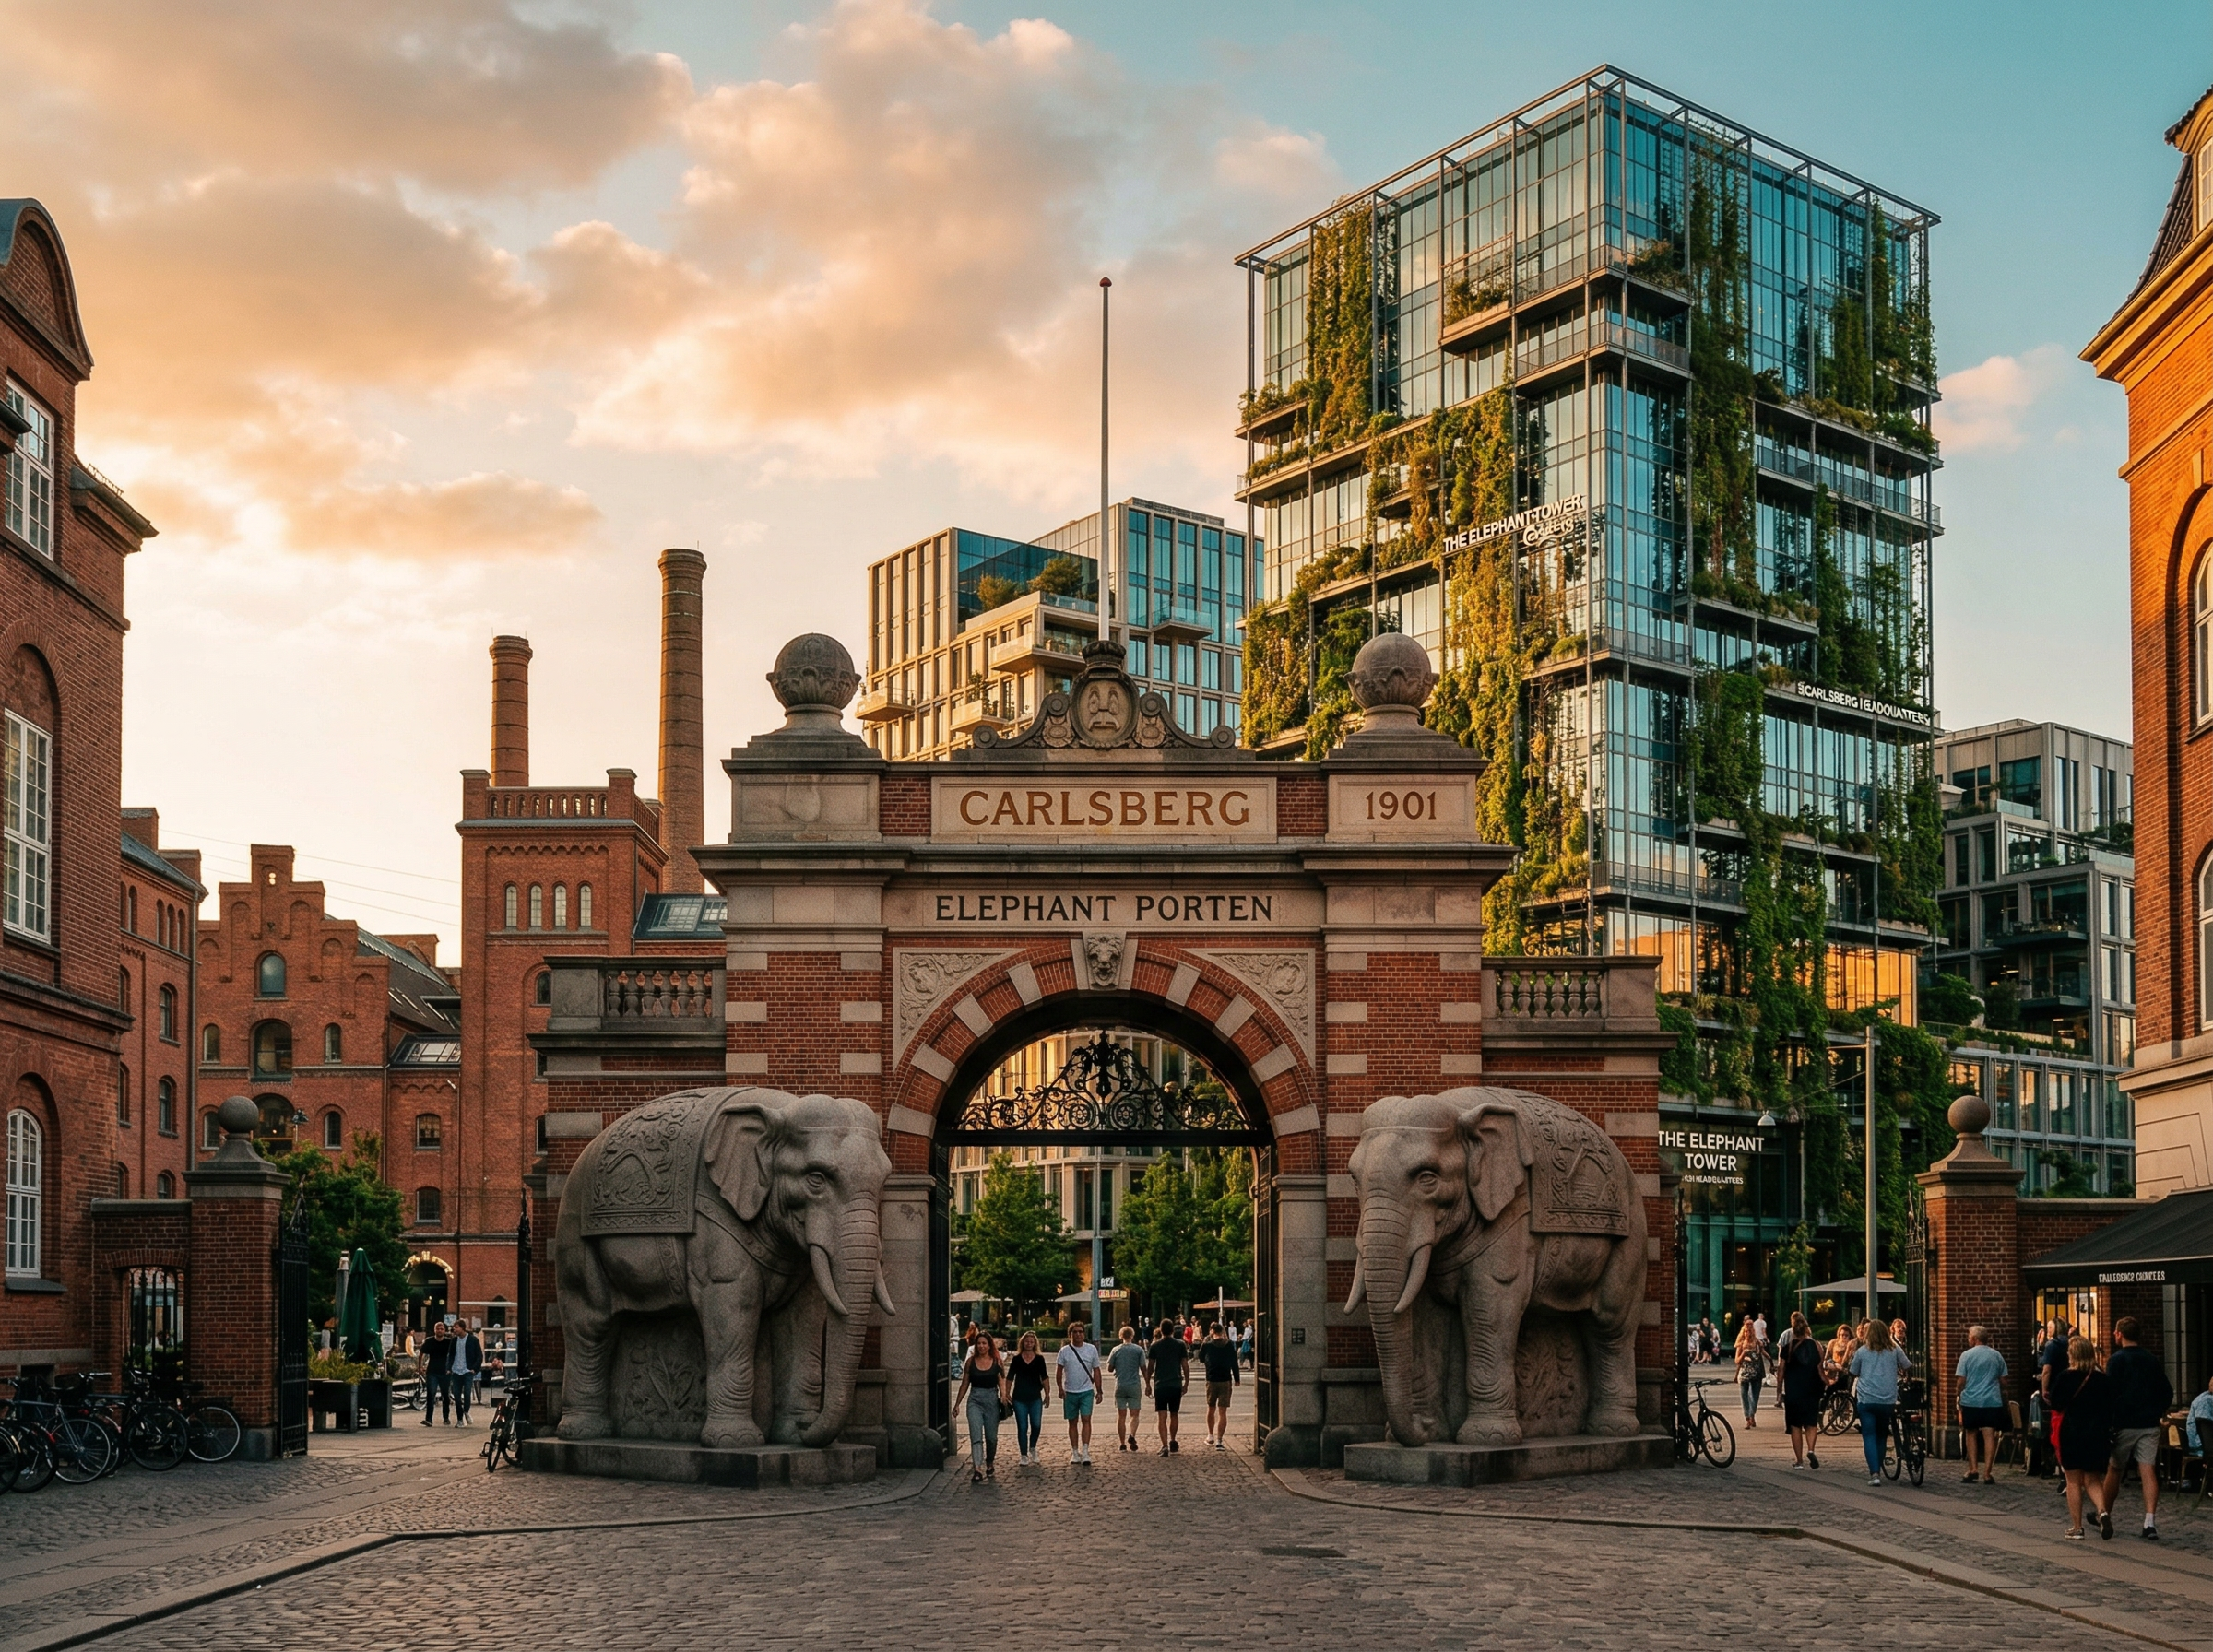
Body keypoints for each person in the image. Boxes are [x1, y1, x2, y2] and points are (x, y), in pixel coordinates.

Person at [2101, 1316, 2173, 1540]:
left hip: (2125, 1423)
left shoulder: (2116, 1360)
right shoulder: (2151, 1359)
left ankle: (2105, 1513)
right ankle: (2149, 1521)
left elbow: (2109, 1393)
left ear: (2120, 1334)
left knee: (2114, 1469)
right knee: (2148, 1470)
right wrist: (2157, 1410)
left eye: (2115, 1332)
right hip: (2149, 1423)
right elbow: (2167, 1391)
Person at [2050, 1335, 2116, 1540]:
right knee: (2093, 1479)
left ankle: (2077, 1527)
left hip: (2071, 1432)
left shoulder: (2065, 1377)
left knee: (2073, 1481)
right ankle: (2102, 1511)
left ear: (2072, 1355)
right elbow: (2110, 1408)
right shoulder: (2102, 1379)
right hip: (2096, 1435)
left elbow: (2056, 1404)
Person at [1848, 1318, 1913, 1486]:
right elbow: (1907, 1365)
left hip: (1867, 1399)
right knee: (1882, 1435)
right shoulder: (1894, 1349)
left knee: (1869, 1435)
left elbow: (1853, 1371)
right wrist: (1906, 1378)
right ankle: (1879, 1465)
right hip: (1887, 1400)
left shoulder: (1862, 1351)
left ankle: (1875, 1473)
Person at [1955, 1324, 2009, 1485]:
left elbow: (1961, 1380)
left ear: (1974, 1338)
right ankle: (1987, 1472)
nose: (1968, 1339)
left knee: (1970, 1434)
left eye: (1969, 1337)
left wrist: (1958, 1394)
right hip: (1991, 1401)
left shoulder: (1966, 1356)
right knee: (1989, 1435)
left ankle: (1973, 1469)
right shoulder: (1996, 1355)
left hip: (1971, 1400)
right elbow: (2004, 1381)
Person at [955, 1328, 1009, 1482]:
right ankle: (977, 1469)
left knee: (991, 1438)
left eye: (984, 1343)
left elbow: (1001, 1380)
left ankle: (990, 1462)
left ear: (989, 1345)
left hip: (991, 1399)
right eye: (979, 1343)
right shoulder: (970, 1362)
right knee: (976, 1436)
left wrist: (1003, 1395)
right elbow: (965, 1383)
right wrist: (957, 1403)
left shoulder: (997, 1361)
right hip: (975, 1400)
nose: (981, 1346)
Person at [1778, 1311, 1825, 1469]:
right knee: (1811, 1423)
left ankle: (1799, 1461)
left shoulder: (1787, 1348)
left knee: (1795, 1426)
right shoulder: (1817, 1346)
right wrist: (1827, 1382)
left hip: (1794, 1391)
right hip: (1812, 1389)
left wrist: (1779, 1390)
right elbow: (1820, 1368)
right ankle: (1811, 1450)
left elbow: (1781, 1370)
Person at [1055, 1321, 1102, 1465]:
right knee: (1072, 1422)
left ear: (1084, 1334)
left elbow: (1096, 1370)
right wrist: (1060, 1389)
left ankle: (1086, 1451)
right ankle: (1075, 1452)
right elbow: (1059, 1371)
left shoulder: (1091, 1350)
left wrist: (1099, 1390)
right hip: (1070, 1392)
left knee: (1086, 1419)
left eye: (1080, 1332)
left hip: (1086, 1390)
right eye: (1075, 1332)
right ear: (1070, 1335)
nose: (1078, 1334)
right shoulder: (1064, 1351)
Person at [1148, 1319, 1189, 1454]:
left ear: (1160, 1330)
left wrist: (1148, 1383)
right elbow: (1185, 1366)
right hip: (1175, 1383)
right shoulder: (1180, 1345)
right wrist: (1186, 1383)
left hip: (1160, 1384)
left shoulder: (1155, 1346)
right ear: (1173, 1330)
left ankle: (1164, 1445)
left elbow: (1150, 1367)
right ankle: (1173, 1439)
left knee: (1162, 1416)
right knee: (1174, 1414)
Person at [1008, 1331, 1049, 1466]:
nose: (1029, 1344)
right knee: (1022, 1427)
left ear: (1035, 1343)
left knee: (1036, 1425)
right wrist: (1006, 1393)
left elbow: (1045, 1377)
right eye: (1027, 1341)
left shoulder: (1039, 1359)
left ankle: (1032, 1447)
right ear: (1022, 1343)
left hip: (1035, 1397)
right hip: (1019, 1398)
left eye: (1031, 1342)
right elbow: (1009, 1377)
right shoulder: (1016, 1359)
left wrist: (1048, 1394)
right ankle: (1024, 1454)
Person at [1106, 1324, 1150, 1451]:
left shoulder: (1116, 1350)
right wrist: (1147, 1384)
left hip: (1120, 1385)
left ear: (1121, 1336)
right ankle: (1132, 1435)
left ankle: (1122, 1443)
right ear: (1132, 1336)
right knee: (1134, 1414)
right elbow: (1143, 1368)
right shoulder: (1138, 1350)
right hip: (1134, 1385)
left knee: (1121, 1415)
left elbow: (1110, 1368)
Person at [1199, 1322, 1241, 1449]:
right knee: (1223, 1411)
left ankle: (1210, 1435)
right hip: (1225, 1380)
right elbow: (1234, 1363)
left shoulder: (1207, 1345)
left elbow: (1201, 1358)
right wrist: (1236, 1378)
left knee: (1211, 1408)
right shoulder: (1228, 1345)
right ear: (1222, 1331)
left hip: (1211, 1379)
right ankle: (1219, 1440)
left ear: (1212, 1331)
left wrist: (1205, 1341)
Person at [445, 1318, 483, 1424]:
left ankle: (466, 1411)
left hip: (467, 1370)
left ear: (462, 1328)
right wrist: (448, 1368)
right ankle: (460, 1419)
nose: (454, 1330)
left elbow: (479, 1356)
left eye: (456, 1327)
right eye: (454, 1328)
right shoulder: (454, 1341)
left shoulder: (473, 1340)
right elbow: (450, 1355)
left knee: (467, 1393)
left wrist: (474, 1369)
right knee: (456, 1395)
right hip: (456, 1370)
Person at [1734, 1315, 1767, 1428]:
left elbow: (1763, 1354)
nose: (1748, 1333)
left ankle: (1752, 1414)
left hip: (1757, 1373)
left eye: (1750, 1331)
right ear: (1743, 1332)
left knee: (1755, 1396)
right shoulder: (1741, 1344)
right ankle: (1748, 1418)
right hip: (1744, 1374)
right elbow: (1737, 1361)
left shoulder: (1757, 1342)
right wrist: (1744, 1353)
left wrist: (1771, 1362)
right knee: (1744, 1396)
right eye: (1746, 1331)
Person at [419, 1321, 452, 1425]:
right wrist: (420, 1367)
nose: (439, 1331)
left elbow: (453, 1355)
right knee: (431, 1394)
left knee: (445, 1395)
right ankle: (429, 1419)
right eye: (438, 1329)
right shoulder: (429, 1341)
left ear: (444, 1331)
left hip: (445, 1372)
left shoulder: (448, 1342)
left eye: (441, 1329)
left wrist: (451, 1367)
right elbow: (421, 1354)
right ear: (434, 1330)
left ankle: (446, 1417)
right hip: (432, 1371)